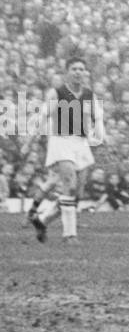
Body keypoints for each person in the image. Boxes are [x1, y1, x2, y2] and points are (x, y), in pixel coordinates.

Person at [26, 56, 105, 244]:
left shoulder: (88, 94)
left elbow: (98, 118)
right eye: (74, 69)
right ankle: (70, 235)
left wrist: (102, 138)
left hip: (81, 143)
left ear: (85, 73)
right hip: (60, 141)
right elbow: (43, 116)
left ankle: (42, 220)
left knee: (77, 195)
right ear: (67, 72)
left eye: (81, 69)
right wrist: (30, 140)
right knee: (68, 185)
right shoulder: (57, 93)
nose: (78, 72)